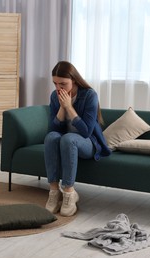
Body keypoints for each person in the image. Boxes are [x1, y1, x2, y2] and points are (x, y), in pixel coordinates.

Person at [44, 61, 111, 217]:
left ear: (73, 80)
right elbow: (52, 131)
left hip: (87, 143)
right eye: (55, 83)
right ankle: (54, 192)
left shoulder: (89, 95)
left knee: (69, 139)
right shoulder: (55, 96)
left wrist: (69, 107)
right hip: (65, 140)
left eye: (63, 84)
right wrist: (61, 108)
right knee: (51, 137)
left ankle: (69, 193)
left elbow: (87, 131)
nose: (58, 88)